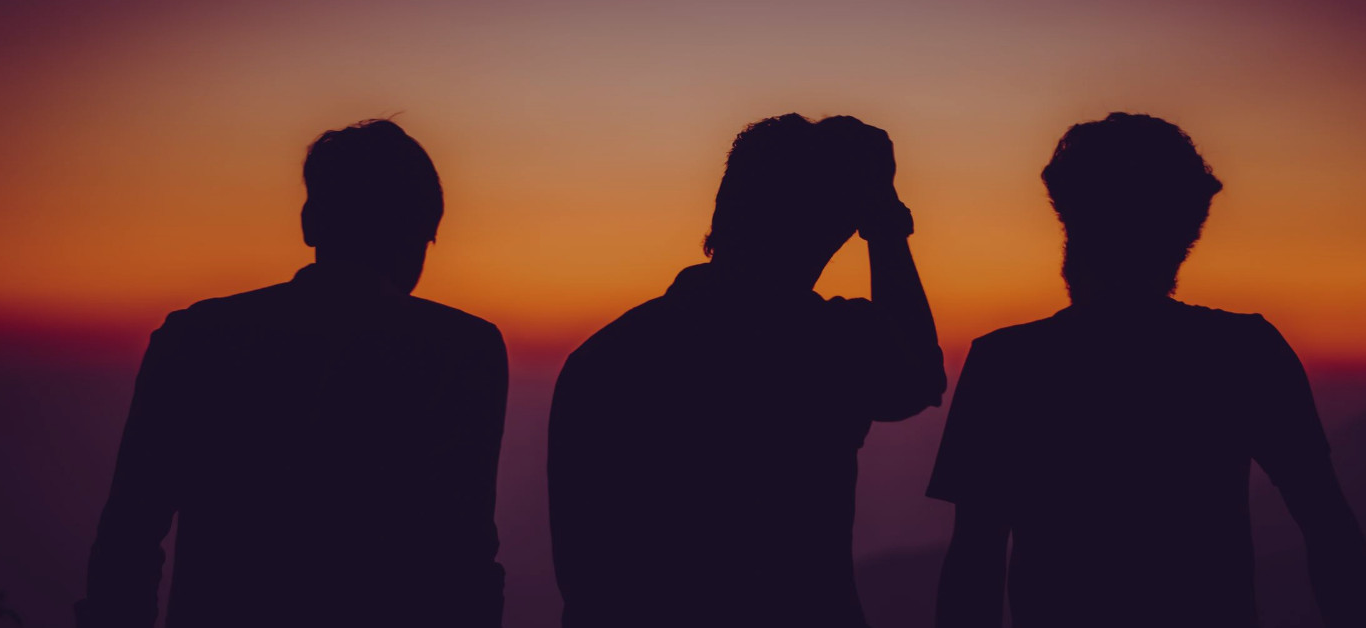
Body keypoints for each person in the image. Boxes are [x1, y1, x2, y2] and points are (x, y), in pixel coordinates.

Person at [929, 113, 1366, 628]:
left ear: (1067, 216)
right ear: (1189, 230)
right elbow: (1328, 525)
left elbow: (974, 563)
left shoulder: (1007, 364)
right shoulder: (1245, 352)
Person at [77, 119, 508, 627]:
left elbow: (130, 534)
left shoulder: (196, 339)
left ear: (310, 223)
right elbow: (465, 554)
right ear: (420, 236)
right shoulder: (461, 351)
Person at [547, 114, 946, 628]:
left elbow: (584, 573)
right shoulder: (821, 345)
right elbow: (917, 377)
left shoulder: (604, 356)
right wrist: (886, 225)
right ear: (824, 224)